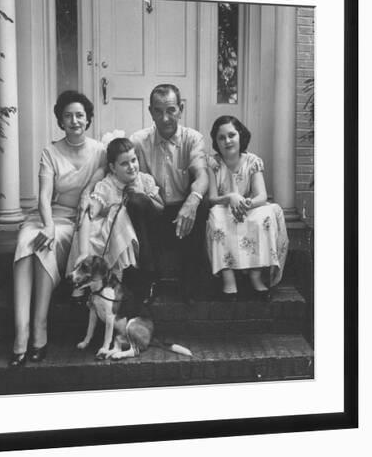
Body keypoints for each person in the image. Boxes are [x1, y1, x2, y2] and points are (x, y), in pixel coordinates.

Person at [10, 91, 106, 366]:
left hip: (79, 222)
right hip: (50, 216)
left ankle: (39, 330)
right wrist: (48, 224)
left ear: (88, 120)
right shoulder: (50, 151)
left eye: (79, 115)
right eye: (68, 115)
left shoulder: (100, 151)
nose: (74, 120)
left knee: (44, 248)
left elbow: (104, 183)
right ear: (60, 120)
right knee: (26, 241)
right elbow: (43, 196)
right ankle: (21, 334)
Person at [130, 84, 209, 300]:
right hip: (153, 211)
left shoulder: (193, 139)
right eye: (158, 111)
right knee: (135, 201)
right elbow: (118, 170)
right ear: (150, 112)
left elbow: (202, 174)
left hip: (183, 214)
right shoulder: (138, 141)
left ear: (181, 109)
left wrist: (192, 202)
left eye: (171, 110)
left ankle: (191, 281)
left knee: (203, 202)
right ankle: (147, 279)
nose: (165, 118)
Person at [206, 115, 289, 301]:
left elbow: (261, 195)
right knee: (216, 216)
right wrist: (230, 197)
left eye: (231, 135)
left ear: (240, 136)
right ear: (216, 142)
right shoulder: (213, 164)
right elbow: (212, 198)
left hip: (249, 206)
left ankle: (255, 274)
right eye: (221, 137)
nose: (227, 141)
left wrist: (245, 203)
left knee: (265, 215)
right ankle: (228, 278)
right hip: (225, 207)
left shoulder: (252, 161)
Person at [68, 138, 164, 291]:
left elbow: (160, 208)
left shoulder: (144, 180)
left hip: (144, 234)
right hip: (119, 235)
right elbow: (89, 213)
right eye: (124, 164)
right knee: (119, 215)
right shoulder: (107, 185)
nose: (131, 167)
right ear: (112, 167)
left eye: (133, 160)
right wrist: (84, 252)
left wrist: (143, 197)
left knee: (127, 210)